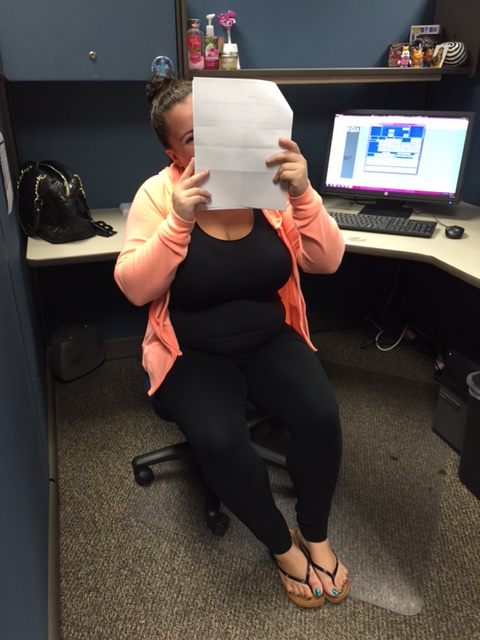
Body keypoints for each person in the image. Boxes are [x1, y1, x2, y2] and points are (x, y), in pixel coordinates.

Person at [114, 75, 350, 608]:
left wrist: (303, 193)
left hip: (268, 337)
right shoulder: (158, 194)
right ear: (174, 154)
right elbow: (134, 288)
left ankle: (314, 534)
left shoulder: (270, 190)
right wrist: (179, 219)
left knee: (321, 418)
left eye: (219, 128)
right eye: (193, 138)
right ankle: (281, 546)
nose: (213, 144)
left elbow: (327, 261)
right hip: (190, 351)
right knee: (221, 443)